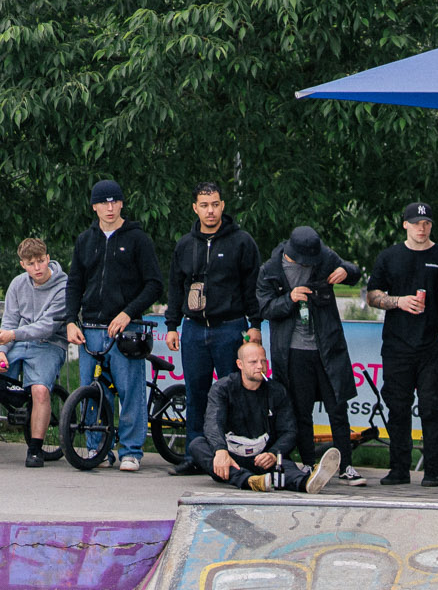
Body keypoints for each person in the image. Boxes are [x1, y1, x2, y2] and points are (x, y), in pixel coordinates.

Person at [62, 179, 163, 471]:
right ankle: (97, 448)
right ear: (94, 206)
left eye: (114, 201)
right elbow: (74, 284)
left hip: (124, 330)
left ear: (121, 204)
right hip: (89, 329)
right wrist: (71, 321)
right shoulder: (85, 240)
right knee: (93, 391)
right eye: (103, 202)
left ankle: (131, 450)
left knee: (130, 390)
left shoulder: (137, 239)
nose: (109, 207)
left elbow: (154, 284)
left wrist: (128, 313)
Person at [164, 183, 262, 474]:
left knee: (235, 393)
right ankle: (196, 456)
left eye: (216, 204)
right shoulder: (185, 244)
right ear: (195, 208)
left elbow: (252, 287)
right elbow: (175, 288)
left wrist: (255, 324)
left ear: (223, 205)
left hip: (230, 328)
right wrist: (172, 325)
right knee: (196, 394)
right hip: (193, 329)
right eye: (205, 205)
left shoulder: (242, 242)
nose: (211, 210)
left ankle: (239, 455)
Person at [257, 226, 360, 476]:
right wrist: (289, 299)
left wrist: (345, 271)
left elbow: (354, 272)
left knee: (338, 407)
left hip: (327, 346)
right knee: (300, 410)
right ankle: (308, 463)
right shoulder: (270, 270)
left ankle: (345, 464)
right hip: (293, 351)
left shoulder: (322, 255)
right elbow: (265, 308)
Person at [366, 202, 438, 487]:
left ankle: (433, 470)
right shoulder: (390, 256)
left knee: (431, 408)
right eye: (416, 223)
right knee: (398, 408)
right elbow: (372, 295)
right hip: (396, 346)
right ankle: (399, 468)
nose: (421, 228)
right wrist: (398, 301)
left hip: (430, 347)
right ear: (405, 225)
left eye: (426, 223)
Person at [190, 340, 340, 493]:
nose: (260, 366)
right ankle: (249, 481)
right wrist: (220, 450)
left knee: (285, 466)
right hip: (231, 456)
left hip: (263, 456)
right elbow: (212, 422)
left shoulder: (277, 391)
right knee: (197, 445)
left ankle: (307, 482)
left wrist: (273, 453)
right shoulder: (222, 388)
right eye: (253, 362)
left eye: (263, 361)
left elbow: (289, 431)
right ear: (240, 364)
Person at [1, 239, 68, 466]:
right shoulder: (18, 284)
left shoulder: (63, 286)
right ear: (23, 265)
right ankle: (16, 397)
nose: (37, 268)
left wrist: (12, 335)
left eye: (41, 261)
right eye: (31, 263)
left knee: (40, 390)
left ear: (48, 258)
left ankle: (36, 449)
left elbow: (47, 326)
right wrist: (2, 350)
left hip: (50, 343)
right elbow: (9, 321)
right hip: (19, 341)